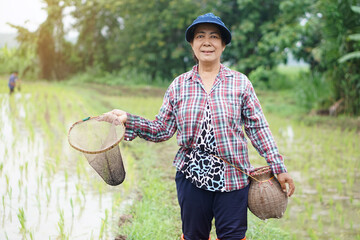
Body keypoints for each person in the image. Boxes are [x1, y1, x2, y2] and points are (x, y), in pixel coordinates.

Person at [99, 13, 295, 240]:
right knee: (194, 236)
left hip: (233, 178)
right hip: (191, 177)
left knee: (233, 236)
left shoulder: (240, 83)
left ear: (223, 45)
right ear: (192, 45)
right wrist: (128, 119)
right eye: (200, 36)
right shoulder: (179, 85)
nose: (207, 42)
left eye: (214, 36)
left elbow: (258, 128)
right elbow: (161, 129)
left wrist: (278, 167)